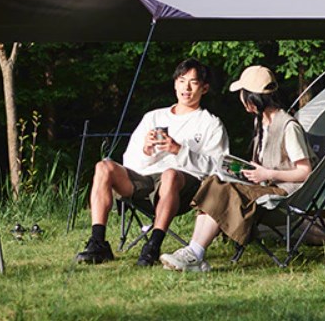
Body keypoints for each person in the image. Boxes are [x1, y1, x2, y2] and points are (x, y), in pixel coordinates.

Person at [159, 65, 316, 272]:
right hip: (265, 185)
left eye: (242, 93)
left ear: (251, 97)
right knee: (214, 181)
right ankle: (194, 252)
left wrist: (267, 173)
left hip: (284, 194)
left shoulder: (288, 126)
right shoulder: (262, 122)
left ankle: (195, 253)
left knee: (224, 190)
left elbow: (305, 172)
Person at [75, 58, 229, 266]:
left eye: (193, 82)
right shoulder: (154, 117)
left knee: (170, 174)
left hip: (184, 188)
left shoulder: (210, 123)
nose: (186, 88)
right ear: (175, 84)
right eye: (182, 81)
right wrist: (146, 150)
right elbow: (130, 162)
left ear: (204, 88)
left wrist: (179, 151)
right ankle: (98, 242)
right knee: (104, 166)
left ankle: (154, 245)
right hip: (145, 180)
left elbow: (219, 167)